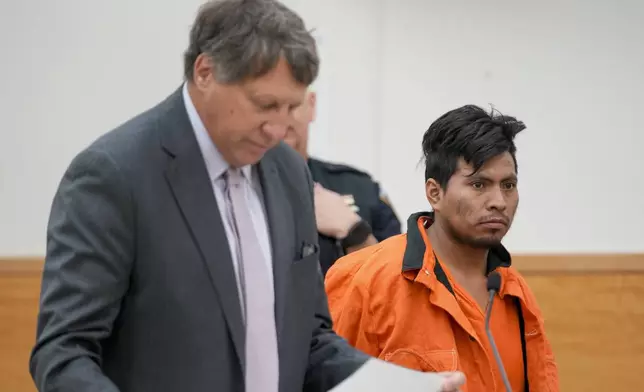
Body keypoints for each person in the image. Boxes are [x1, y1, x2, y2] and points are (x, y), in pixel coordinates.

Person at [29, 1, 465, 391]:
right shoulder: (114, 175)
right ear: (205, 72)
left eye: (290, 108)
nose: (279, 130)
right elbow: (63, 354)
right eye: (263, 105)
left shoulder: (290, 173)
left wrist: (393, 386)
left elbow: (309, 340)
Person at [325, 105, 560, 392]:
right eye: (478, 184)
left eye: (508, 185)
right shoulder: (364, 278)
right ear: (435, 193)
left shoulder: (515, 293)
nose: (499, 201)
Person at [283, 91, 401, 275]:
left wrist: (355, 233)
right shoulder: (232, 189)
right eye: (266, 105)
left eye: (291, 105)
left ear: (311, 105)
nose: (280, 118)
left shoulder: (360, 189)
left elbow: (396, 284)